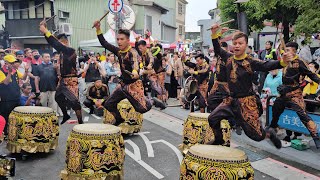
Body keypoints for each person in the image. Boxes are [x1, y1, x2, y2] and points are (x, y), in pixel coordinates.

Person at [209, 24, 290, 148]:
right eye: (234, 43)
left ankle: (269, 133)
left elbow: (267, 65)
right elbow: (218, 49)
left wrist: (282, 62)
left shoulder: (251, 62)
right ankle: (219, 139)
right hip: (230, 100)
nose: (236, 45)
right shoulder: (229, 58)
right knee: (213, 118)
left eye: (240, 43)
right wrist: (215, 34)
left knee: (256, 136)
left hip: (246, 102)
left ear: (246, 45)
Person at [93, 20, 157, 126]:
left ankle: (153, 101)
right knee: (108, 104)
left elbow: (135, 63)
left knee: (142, 109)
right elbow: (104, 43)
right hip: (122, 85)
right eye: (117, 39)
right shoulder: (118, 51)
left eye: (122, 39)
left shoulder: (133, 52)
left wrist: (135, 72)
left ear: (128, 40)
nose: (119, 41)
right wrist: (98, 29)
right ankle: (119, 119)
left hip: (133, 85)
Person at [269, 42, 320, 149]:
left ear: (294, 50)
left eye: (288, 50)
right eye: (285, 50)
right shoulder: (284, 60)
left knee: (303, 115)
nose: (285, 52)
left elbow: (311, 75)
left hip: (295, 93)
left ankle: (315, 136)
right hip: (283, 93)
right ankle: (272, 127)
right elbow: (276, 54)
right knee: (276, 108)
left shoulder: (300, 62)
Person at [39, 20, 83, 125]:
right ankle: (66, 114)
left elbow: (56, 44)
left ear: (66, 42)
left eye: (60, 43)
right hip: (63, 79)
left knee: (75, 102)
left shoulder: (70, 50)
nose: (58, 46)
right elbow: (53, 42)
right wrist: (45, 33)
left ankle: (80, 122)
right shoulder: (62, 52)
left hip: (71, 79)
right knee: (57, 97)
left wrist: (46, 31)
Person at [0, 55, 29, 135]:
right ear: (6, 63)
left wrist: (26, 71)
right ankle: (5, 133)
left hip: (16, 97)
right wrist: (9, 72)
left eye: (14, 62)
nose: (13, 64)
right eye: (11, 63)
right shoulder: (1, 71)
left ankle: (15, 132)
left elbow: (23, 78)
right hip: (6, 99)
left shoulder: (15, 71)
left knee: (16, 116)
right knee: (6, 116)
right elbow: (6, 82)